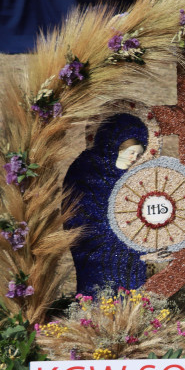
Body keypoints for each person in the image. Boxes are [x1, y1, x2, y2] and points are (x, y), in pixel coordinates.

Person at [63, 113, 149, 295]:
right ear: (116, 146)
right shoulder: (87, 166)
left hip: (125, 245)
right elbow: (76, 206)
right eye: (131, 152)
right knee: (97, 290)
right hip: (93, 241)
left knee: (128, 291)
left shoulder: (131, 176)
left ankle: (130, 316)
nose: (134, 158)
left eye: (139, 154)